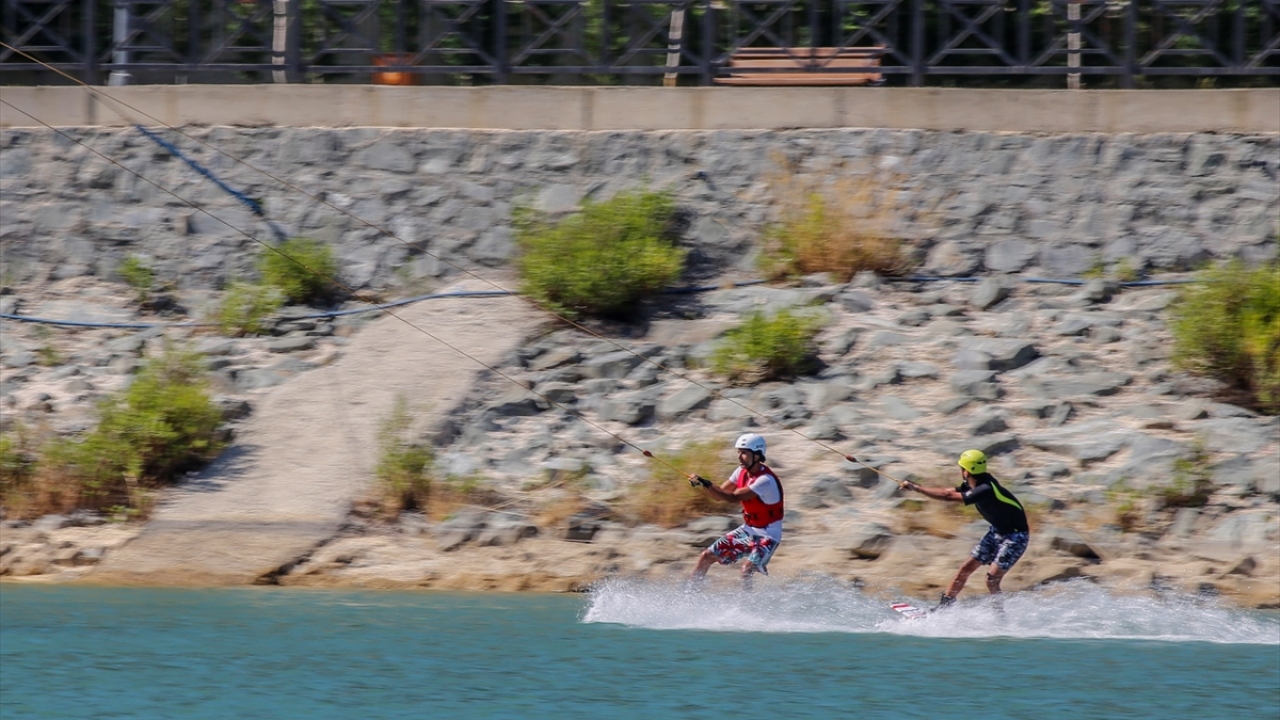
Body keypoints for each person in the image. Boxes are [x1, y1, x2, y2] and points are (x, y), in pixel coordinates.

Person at [901, 449, 1029, 610]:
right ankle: (943, 609)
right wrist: (914, 486)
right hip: (996, 532)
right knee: (965, 569)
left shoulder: (985, 488)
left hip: (1015, 538)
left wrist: (917, 488)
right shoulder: (973, 483)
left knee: (992, 580)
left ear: (966, 470)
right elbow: (947, 491)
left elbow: (948, 498)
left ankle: (999, 618)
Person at [686, 433, 784, 590]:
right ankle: (688, 595)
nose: (739, 457)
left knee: (746, 571)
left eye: (744, 453)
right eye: (738, 452)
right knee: (706, 556)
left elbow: (731, 497)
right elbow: (719, 495)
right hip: (748, 530)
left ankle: (746, 609)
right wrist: (703, 484)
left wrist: (708, 483)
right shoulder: (740, 472)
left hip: (768, 535)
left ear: (758, 455)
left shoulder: (765, 480)